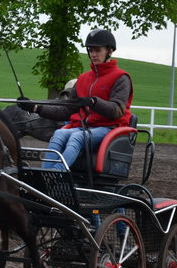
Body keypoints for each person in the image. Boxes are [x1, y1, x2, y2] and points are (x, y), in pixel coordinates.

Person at [21, 29, 133, 170]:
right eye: (91, 51)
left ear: (109, 51)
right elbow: (67, 109)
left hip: (109, 128)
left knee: (77, 137)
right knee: (59, 133)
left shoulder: (121, 78)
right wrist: (36, 108)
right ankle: (44, 173)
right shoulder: (83, 79)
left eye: (98, 50)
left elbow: (117, 110)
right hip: (83, 127)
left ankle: (55, 173)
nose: (93, 54)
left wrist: (94, 102)